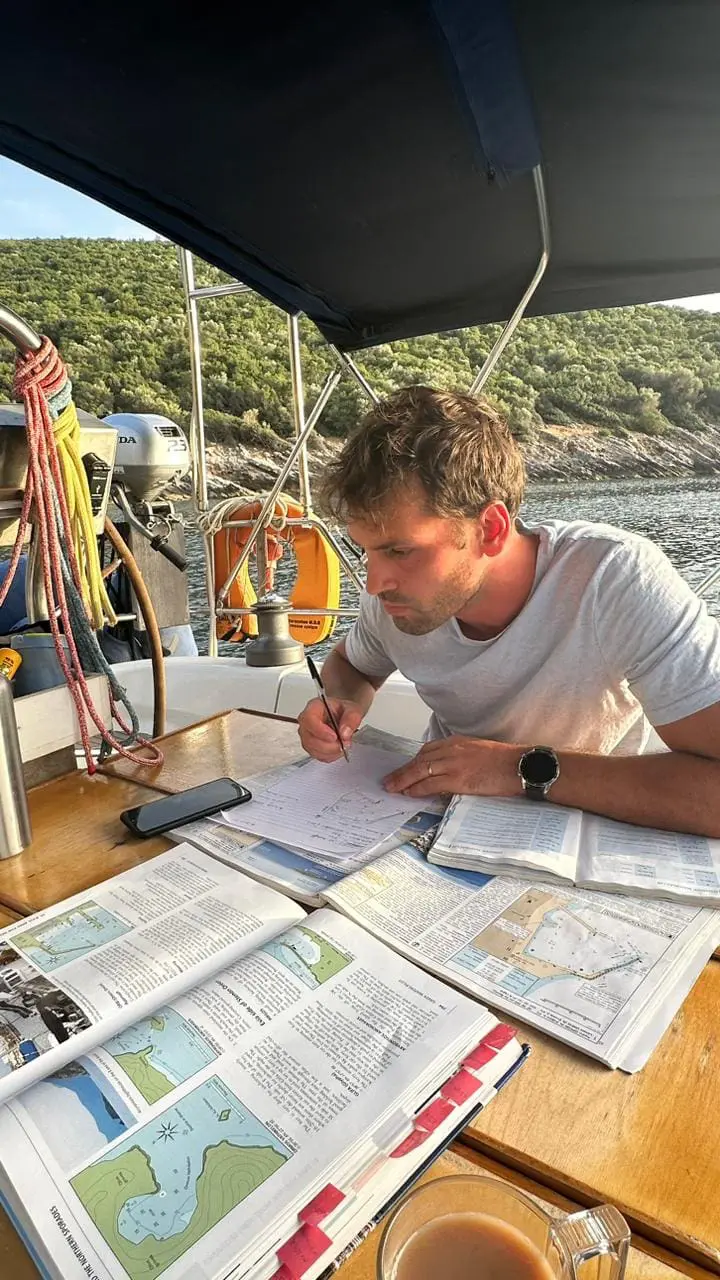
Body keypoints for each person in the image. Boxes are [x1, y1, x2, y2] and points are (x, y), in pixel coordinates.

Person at [297, 385, 720, 837]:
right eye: (364, 551)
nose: (374, 583)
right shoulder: (394, 598)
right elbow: (353, 666)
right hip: (434, 825)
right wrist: (341, 704)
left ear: (491, 529)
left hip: (589, 834)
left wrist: (517, 769)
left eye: (400, 551)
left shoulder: (613, 579)